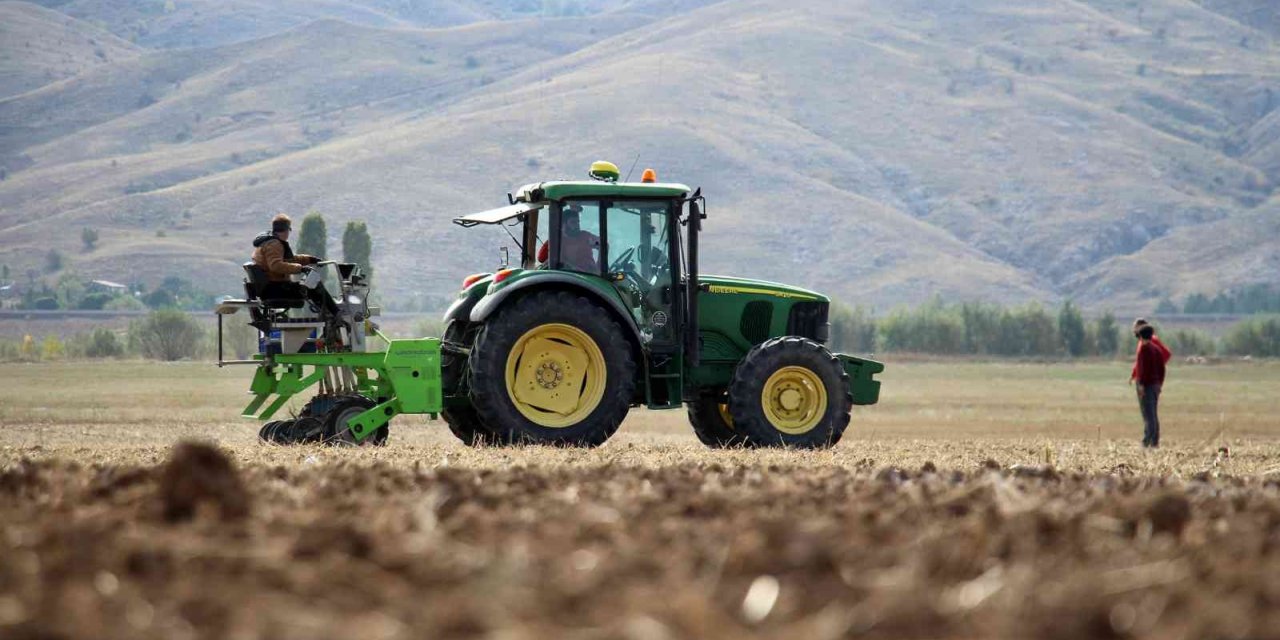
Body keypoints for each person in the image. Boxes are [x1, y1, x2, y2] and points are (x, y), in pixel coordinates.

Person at [250, 213, 337, 315]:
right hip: (276, 290)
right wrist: (301, 269)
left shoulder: (268, 243)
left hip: (271, 288)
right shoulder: (274, 245)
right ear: (286, 230)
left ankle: (328, 313)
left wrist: (309, 259)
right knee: (314, 285)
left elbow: (289, 259)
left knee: (311, 286)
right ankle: (335, 314)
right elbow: (276, 265)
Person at [1130, 321, 1170, 448]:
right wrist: (1159, 383)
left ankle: (1148, 441)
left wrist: (1141, 384)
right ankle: (1154, 440)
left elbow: (1142, 369)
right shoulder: (1156, 349)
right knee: (1153, 413)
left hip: (1147, 386)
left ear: (1141, 336)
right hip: (1155, 384)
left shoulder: (1143, 349)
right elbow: (1162, 368)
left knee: (1148, 414)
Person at [536, 204, 599, 272]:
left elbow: (603, 245)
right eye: (573, 222)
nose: (577, 225)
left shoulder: (585, 236)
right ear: (563, 224)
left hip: (589, 276)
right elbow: (541, 258)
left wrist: (598, 269)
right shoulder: (556, 240)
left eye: (578, 222)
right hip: (569, 277)